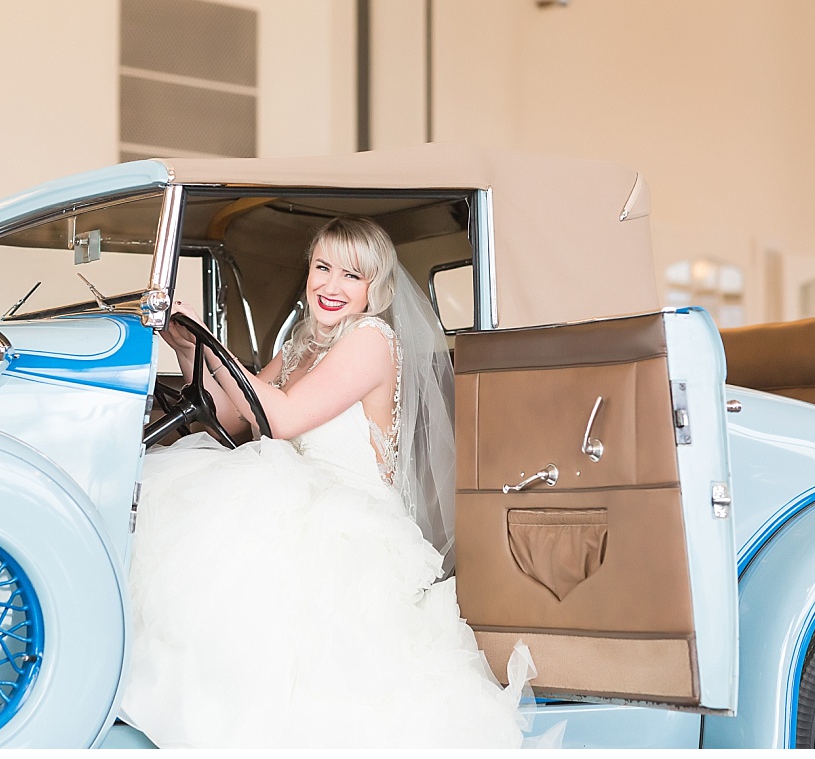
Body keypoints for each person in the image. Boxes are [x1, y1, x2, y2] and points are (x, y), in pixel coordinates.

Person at [119, 216, 558, 748]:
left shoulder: (371, 341)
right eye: (322, 268)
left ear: (376, 287)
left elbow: (278, 420)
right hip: (289, 495)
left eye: (351, 275)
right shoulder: (305, 344)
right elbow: (236, 418)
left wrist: (211, 342)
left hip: (346, 515)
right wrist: (188, 348)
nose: (330, 286)